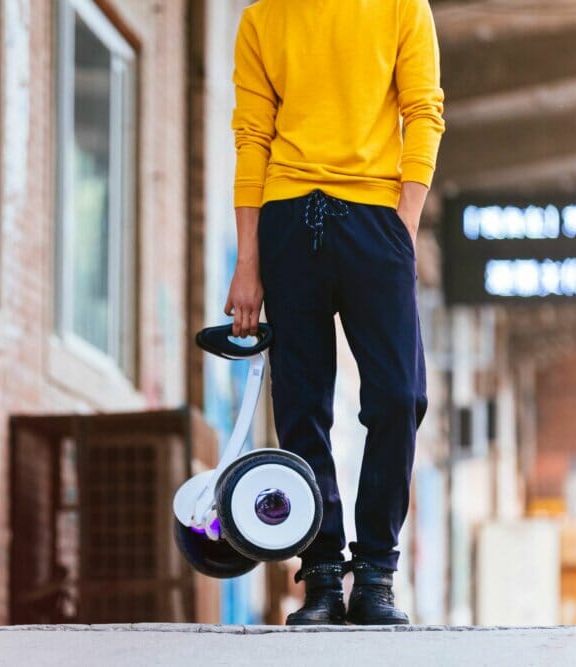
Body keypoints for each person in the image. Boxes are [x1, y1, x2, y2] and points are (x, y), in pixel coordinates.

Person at [225, 0, 445, 625]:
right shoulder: (262, 20)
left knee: (400, 396)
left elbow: (424, 110)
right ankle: (322, 575)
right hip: (290, 218)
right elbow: (252, 137)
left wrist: (403, 223)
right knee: (301, 403)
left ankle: (375, 572)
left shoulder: (402, 7)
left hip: (377, 218)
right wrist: (248, 261)